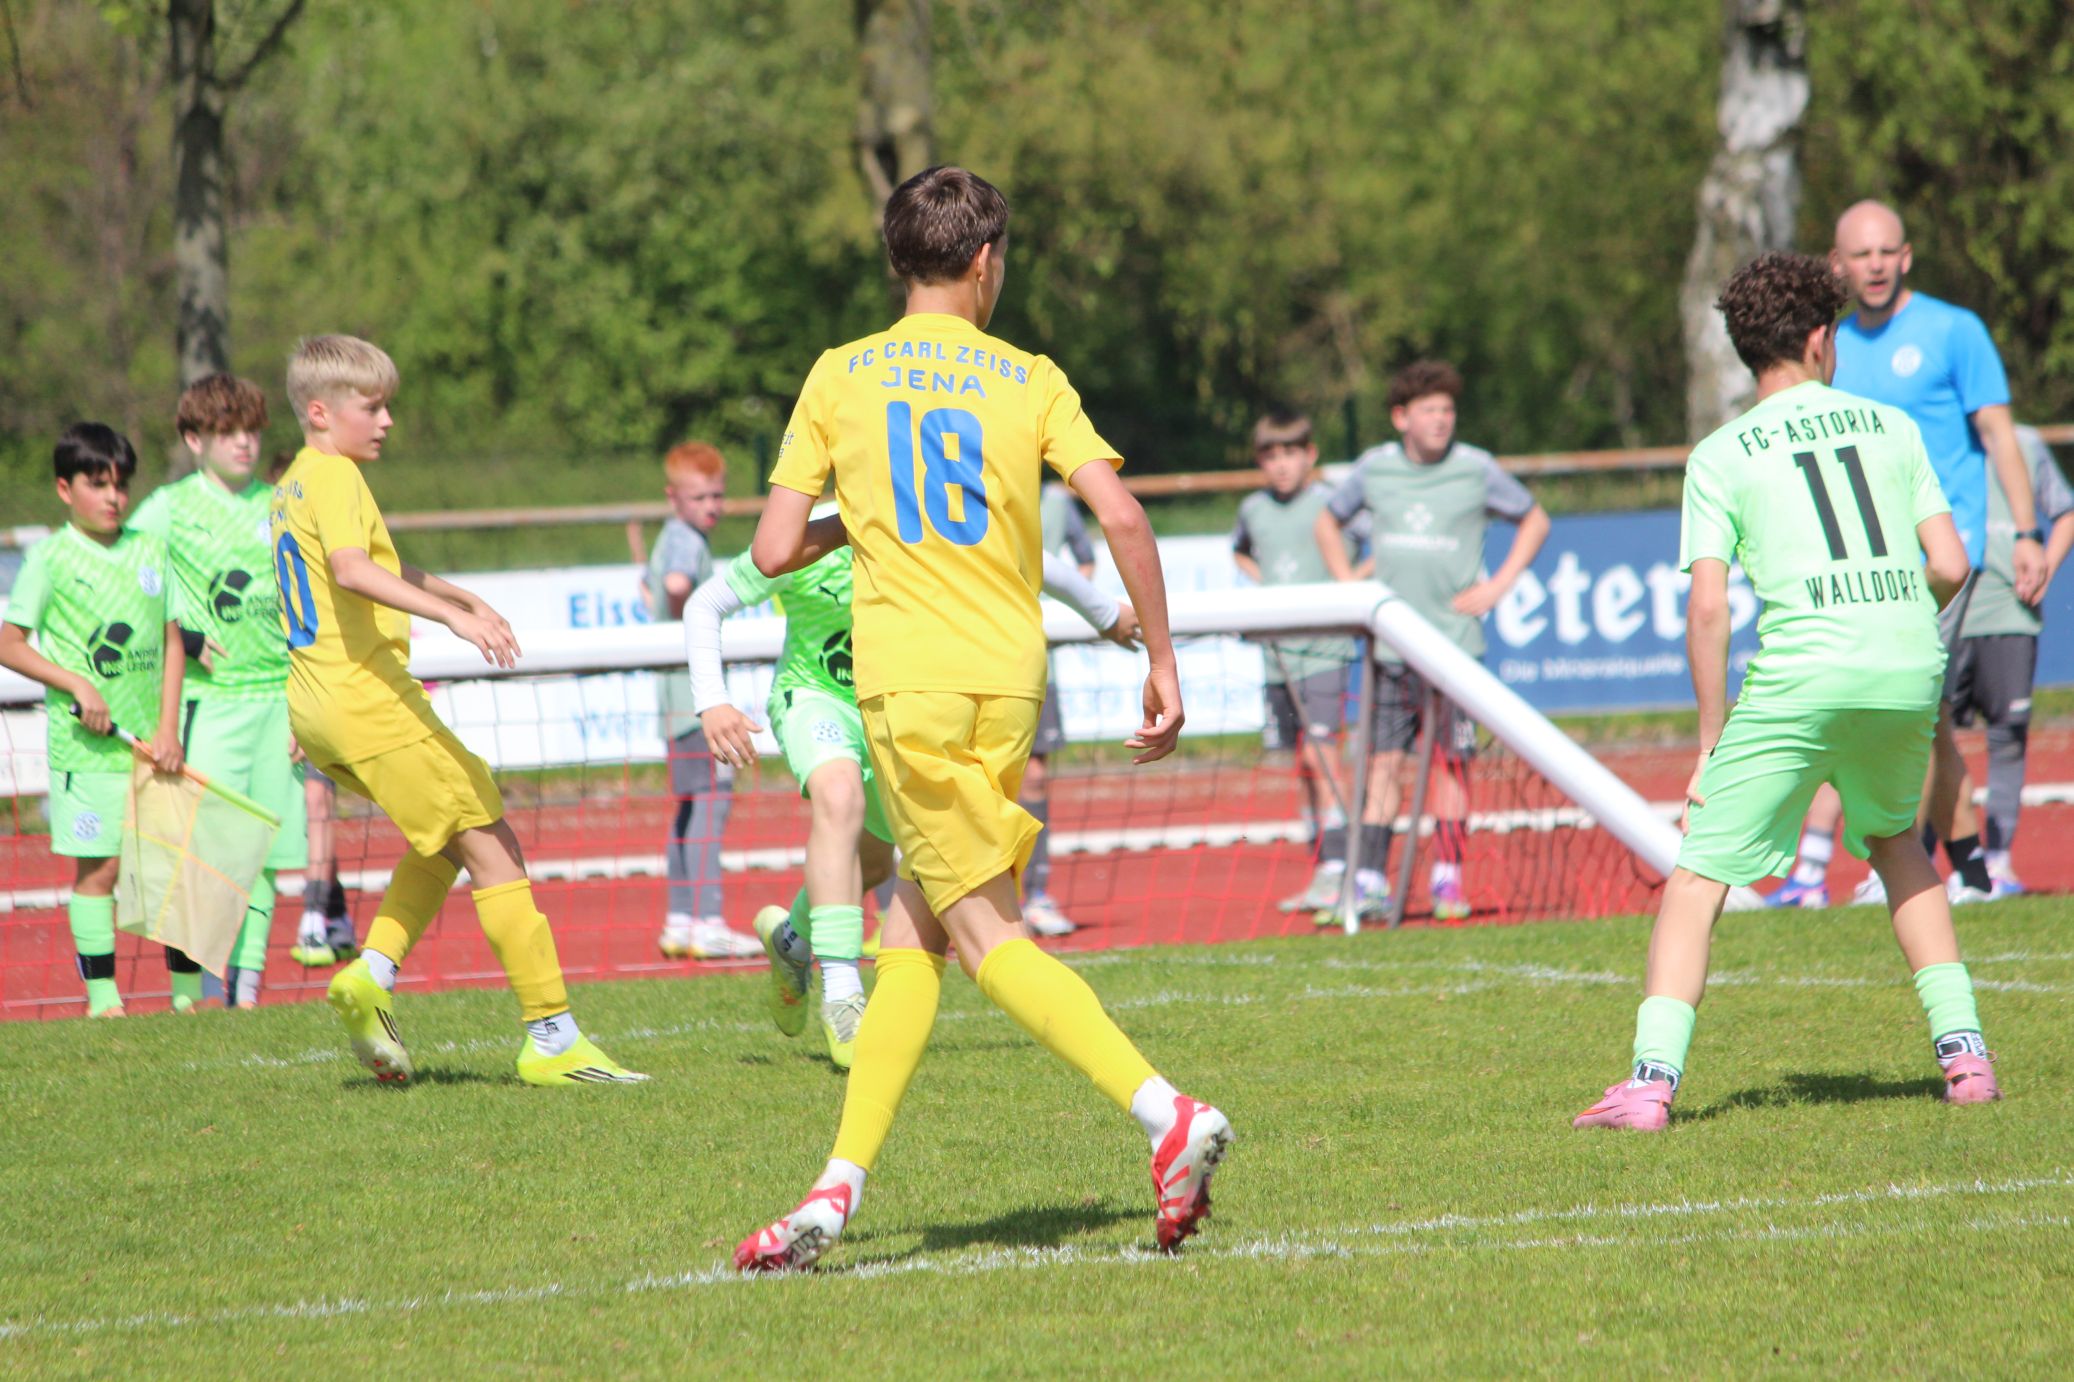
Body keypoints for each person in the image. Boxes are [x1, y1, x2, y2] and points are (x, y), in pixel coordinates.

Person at [733, 166, 1231, 1271]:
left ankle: (1167, 1113)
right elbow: (1122, 515)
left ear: (899, 261)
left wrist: (855, 522)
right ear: (982, 261)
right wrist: (1161, 659)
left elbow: (769, 551)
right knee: (912, 934)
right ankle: (834, 1193)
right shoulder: (1029, 375)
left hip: (907, 686)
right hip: (1009, 686)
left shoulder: (839, 373)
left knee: (986, 937)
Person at [1574, 251, 2000, 1132]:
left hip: (1802, 673)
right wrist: (1889, 617)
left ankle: (1649, 1086)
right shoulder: (1890, 426)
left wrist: (1708, 743)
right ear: (1819, 338)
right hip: (1906, 662)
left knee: (1697, 876)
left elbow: (1707, 610)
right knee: (1895, 841)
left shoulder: (1720, 453)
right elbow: (1952, 562)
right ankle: (1966, 1059)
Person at [270, 334, 642, 1085]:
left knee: (444, 840)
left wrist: (455, 593)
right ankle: (553, 1038)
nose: (387, 421)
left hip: (319, 705)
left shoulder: (294, 482)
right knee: (492, 843)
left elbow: (364, 562)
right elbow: (350, 569)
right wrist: (451, 619)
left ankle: (371, 974)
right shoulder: (337, 475)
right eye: (372, 407)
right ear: (321, 411)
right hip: (368, 701)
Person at [689, 526, 1137, 1068]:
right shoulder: (806, 536)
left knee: (874, 863)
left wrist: (1105, 613)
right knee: (839, 794)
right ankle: (843, 996)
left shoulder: (915, 520)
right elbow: (706, 603)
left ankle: (792, 941)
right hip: (813, 698)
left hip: (895, 711)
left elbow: (1022, 550)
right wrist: (712, 701)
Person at [1768, 201, 2046, 908]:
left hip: (1941, 554)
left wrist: (2026, 532)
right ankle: (1975, 875)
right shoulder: (1826, 347)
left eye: (1887, 252)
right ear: (1836, 264)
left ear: (1907, 256)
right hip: (1863, 560)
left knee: (1896, 709)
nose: (1876, 266)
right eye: (1861, 255)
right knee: (1928, 721)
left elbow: (1999, 434)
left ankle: (1870, 870)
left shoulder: (1954, 331)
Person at [1315, 361, 1549, 923]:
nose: (1442, 419)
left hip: (1456, 649)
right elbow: (1326, 521)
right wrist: (1348, 584)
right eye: (1429, 410)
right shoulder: (1375, 468)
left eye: (1448, 409)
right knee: (1382, 764)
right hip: (1391, 649)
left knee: (1451, 766)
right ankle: (1369, 881)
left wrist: (1499, 585)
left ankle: (1448, 879)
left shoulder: (1476, 468)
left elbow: (1535, 520)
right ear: (1401, 418)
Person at [129, 375, 310, 1007]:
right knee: (203, 859)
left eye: (252, 430)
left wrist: (305, 705)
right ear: (193, 439)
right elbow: (124, 578)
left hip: (278, 703)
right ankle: (196, 993)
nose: (244, 443)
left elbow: (306, 604)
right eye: (227, 432)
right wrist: (186, 637)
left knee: (265, 855)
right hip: (212, 705)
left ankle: (246, 991)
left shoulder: (280, 504)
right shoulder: (167, 508)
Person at [0, 424, 187, 1016]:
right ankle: (104, 1001)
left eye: (121, 485)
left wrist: (169, 728)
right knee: (102, 870)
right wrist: (77, 684)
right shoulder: (50, 559)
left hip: (151, 747)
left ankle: (188, 1000)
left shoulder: (151, 550)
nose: (113, 497)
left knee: (171, 870)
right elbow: (9, 643)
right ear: (65, 489)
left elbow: (172, 641)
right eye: (98, 485)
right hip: (87, 755)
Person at [1231, 408, 1359, 917]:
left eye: (1290, 453)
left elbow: (1377, 545)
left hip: (1324, 649)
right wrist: (1263, 583)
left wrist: (1352, 583)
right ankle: (1321, 865)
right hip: (1276, 654)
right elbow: (1240, 551)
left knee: (1323, 757)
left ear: (1310, 455)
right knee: (1302, 763)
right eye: (1271, 455)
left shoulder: (1333, 503)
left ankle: (1341, 868)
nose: (1281, 465)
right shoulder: (1253, 508)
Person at [1944, 426, 2074, 897]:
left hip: (2009, 615)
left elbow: (2066, 512)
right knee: (1927, 742)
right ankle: (1927, 862)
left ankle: (1998, 862)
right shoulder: (1933, 433)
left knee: (2008, 738)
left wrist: (2046, 567)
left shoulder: (2025, 443)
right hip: (1943, 616)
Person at [642, 442, 758, 961]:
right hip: (694, 697)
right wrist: (681, 602)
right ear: (674, 498)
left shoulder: (671, 537)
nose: (711, 506)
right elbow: (676, 585)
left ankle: (680, 920)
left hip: (672, 695)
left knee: (690, 805)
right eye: (699, 497)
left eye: (717, 495)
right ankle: (708, 920)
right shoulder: (685, 541)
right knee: (712, 800)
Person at [1020, 480, 1099, 937]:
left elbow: (1084, 558)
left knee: (1033, 774)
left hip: (1033, 651)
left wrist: (1072, 605)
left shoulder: (1055, 503)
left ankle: (1036, 894)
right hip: (968, 648)